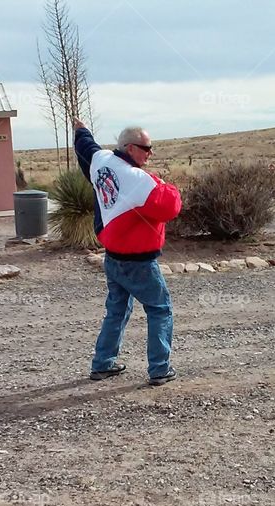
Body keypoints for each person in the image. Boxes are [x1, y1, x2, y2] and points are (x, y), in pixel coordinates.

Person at [72, 118, 182, 386]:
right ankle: (159, 369)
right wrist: (162, 182)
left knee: (117, 311)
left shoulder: (103, 161)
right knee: (160, 310)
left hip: (113, 258)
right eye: (146, 148)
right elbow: (171, 208)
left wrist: (80, 129)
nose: (150, 153)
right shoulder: (138, 180)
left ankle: (103, 364)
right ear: (130, 148)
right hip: (140, 262)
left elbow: (86, 146)